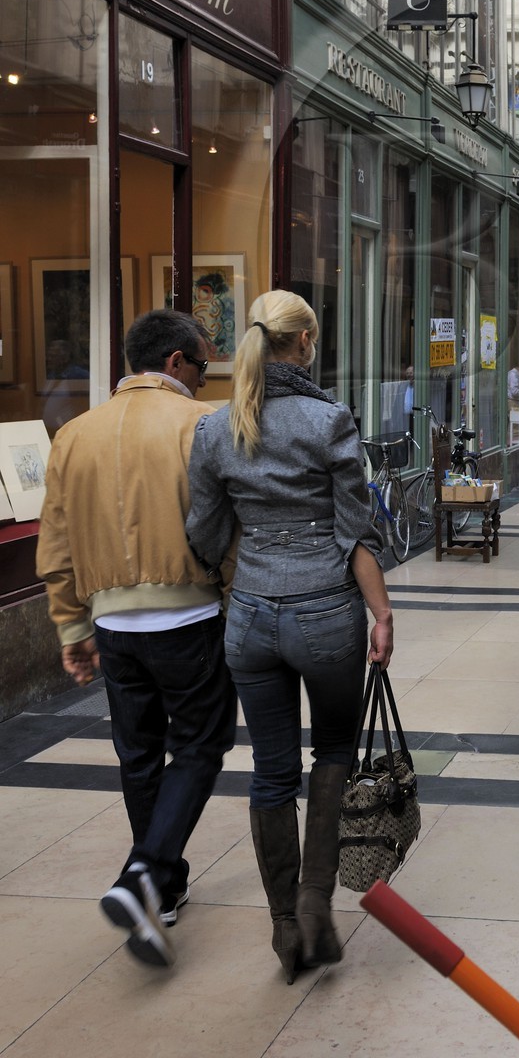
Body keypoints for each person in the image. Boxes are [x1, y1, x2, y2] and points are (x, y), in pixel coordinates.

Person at [185, 292, 393, 982]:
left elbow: (204, 533)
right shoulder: (328, 420)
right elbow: (356, 530)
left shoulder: (216, 428)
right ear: (304, 342)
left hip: (249, 617)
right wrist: (382, 615)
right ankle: (313, 902)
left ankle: (283, 927)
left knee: (271, 770)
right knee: (332, 748)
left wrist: (247, 557)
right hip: (326, 613)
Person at [35, 309, 237, 971]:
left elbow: (55, 546)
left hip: (113, 626)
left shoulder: (73, 435)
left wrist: (71, 626)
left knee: (140, 755)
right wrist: (236, 600)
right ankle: (145, 872)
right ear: (176, 361)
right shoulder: (202, 425)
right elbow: (227, 526)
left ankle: (162, 890)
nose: (203, 379)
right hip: (189, 615)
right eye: (201, 366)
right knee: (201, 745)